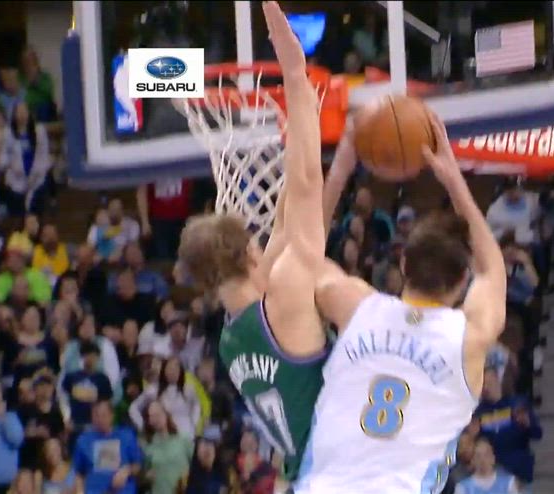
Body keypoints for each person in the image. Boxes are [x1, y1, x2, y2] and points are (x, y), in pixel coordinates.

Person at [296, 111, 507, 493]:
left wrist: (341, 168)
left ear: (404, 264)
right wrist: (453, 179)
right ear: (463, 280)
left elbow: (305, 259)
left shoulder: (357, 307)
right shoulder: (468, 338)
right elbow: (493, 271)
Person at [175, 1, 332, 481]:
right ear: (248, 255)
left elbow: (287, 215)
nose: (265, 243)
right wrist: (295, 76)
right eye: (256, 243)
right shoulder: (283, 302)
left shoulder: (232, 338)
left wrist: (297, 130)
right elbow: (307, 184)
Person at [473, 367, 541, 485]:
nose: (486, 387)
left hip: (522, 467)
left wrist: (528, 423)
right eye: (483, 384)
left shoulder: (518, 403)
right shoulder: (478, 413)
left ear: (497, 380)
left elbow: (537, 434)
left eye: (489, 382)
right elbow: (475, 444)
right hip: (496, 472)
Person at [0, 102, 53, 217]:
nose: (22, 114)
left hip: (37, 180)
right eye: (19, 111)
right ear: (14, 114)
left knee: (37, 215)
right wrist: (4, 165)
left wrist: (39, 172)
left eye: (24, 111)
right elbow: (4, 156)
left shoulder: (39, 131)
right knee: (18, 216)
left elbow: (44, 154)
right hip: (16, 182)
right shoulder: (8, 133)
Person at [72, 400, 142, 494]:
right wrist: (80, 491)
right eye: (96, 415)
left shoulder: (127, 436)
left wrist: (127, 470)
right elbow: (78, 473)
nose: (100, 419)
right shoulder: (83, 440)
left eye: (104, 415)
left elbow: (138, 465)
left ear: (112, 415)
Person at [141, 400, 193, 494]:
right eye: (152, 416)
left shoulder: (183, 439)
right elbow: (144, 473)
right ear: (149, 421)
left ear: (165, 414)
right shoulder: (148, 446)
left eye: (158, 414)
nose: (156, 419)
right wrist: (146, 477)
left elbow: (196, 465)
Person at [455, 437, 520, 494]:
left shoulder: (509, 483)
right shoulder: (462, 488)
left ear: (493, 458)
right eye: (478, 456)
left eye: (486, 455)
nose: (482, 459)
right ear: (473, 460)